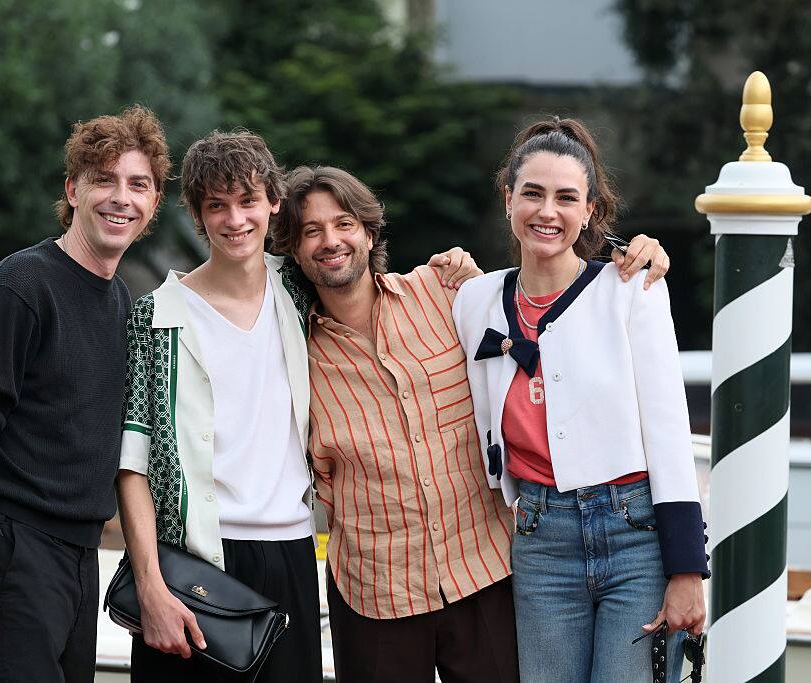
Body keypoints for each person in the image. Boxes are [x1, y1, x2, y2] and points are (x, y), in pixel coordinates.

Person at [269, 164, 673, 682]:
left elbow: (544, 303)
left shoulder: (448, 293)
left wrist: (634, 251)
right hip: (376, 589)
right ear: (295, 250)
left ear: (369, 232)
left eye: (344, 223)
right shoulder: (291, 349)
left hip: (483, 569)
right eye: (311, 231)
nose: (331, 240)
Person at [451, 117, 708, 682]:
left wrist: (688, 568)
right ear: (508, 199)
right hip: (539, 540)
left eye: (567, 198)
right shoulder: (472, 301)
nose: (548, 212)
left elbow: (668, 431)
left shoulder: (631, 289)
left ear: (589, 210)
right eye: (533, 194)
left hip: (635, 536)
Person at [0, 105, 169, 681]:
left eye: (138, 185)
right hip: (10, 551)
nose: (122, 198)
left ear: (154, 204)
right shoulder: (22, 286)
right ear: (72, 190)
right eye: (104, 181)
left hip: (79, 554)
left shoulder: (119, 300)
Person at [115, 130, 322, 682]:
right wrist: (150, 584)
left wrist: (456, 274)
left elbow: (374, 292)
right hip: (194, 561)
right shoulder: (154, 317)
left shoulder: (301, 293)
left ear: (273, 202)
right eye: (217, 206)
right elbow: (131, 465)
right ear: (197, 215)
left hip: (293, 549)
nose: (235, 220)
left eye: (248, 200)